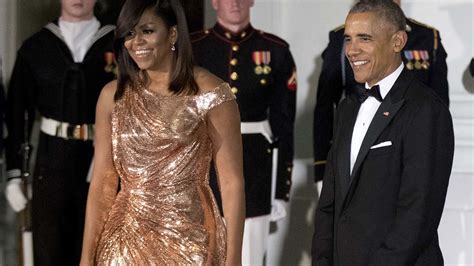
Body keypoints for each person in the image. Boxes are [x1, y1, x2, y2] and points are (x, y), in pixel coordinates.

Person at [80, 0, 245, 264]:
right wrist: (86, 258)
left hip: (191, 241)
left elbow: (231, 182)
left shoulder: (211, 93)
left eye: (147, 31)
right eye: (130, 34)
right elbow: (102, 182)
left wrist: (233, 258)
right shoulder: (113, 96)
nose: (137, 42)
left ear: (172, 34)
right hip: (123, 242)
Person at [311, 0, 454, 265]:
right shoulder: (346, 109)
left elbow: (417, 215)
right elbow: (328, 206)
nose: (352, 50)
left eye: (364, 38)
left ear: (397, 41)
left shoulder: (426, 110)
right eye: (348, 39)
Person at [4, 0, 115, 264]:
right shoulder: (36, 47)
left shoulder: (117, 43)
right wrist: (15, 173)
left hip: (101, 160)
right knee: (49, 249)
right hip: (51, 163)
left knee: (98, 248)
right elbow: (18, 113)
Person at [191, 0, 297, 263]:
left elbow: (284, 126)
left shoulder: (275, 50)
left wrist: (280, 190)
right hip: (204, 168)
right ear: (214, 3)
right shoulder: (194, 48)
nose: (235, 3)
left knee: (248, 256)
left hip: (255, 170)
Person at [312, 0, 449, 181]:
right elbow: (325, 108)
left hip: (412, 158)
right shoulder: (340, 38)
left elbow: (439, 109)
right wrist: (323, 170)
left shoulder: (427, 38)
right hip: (356, 156)